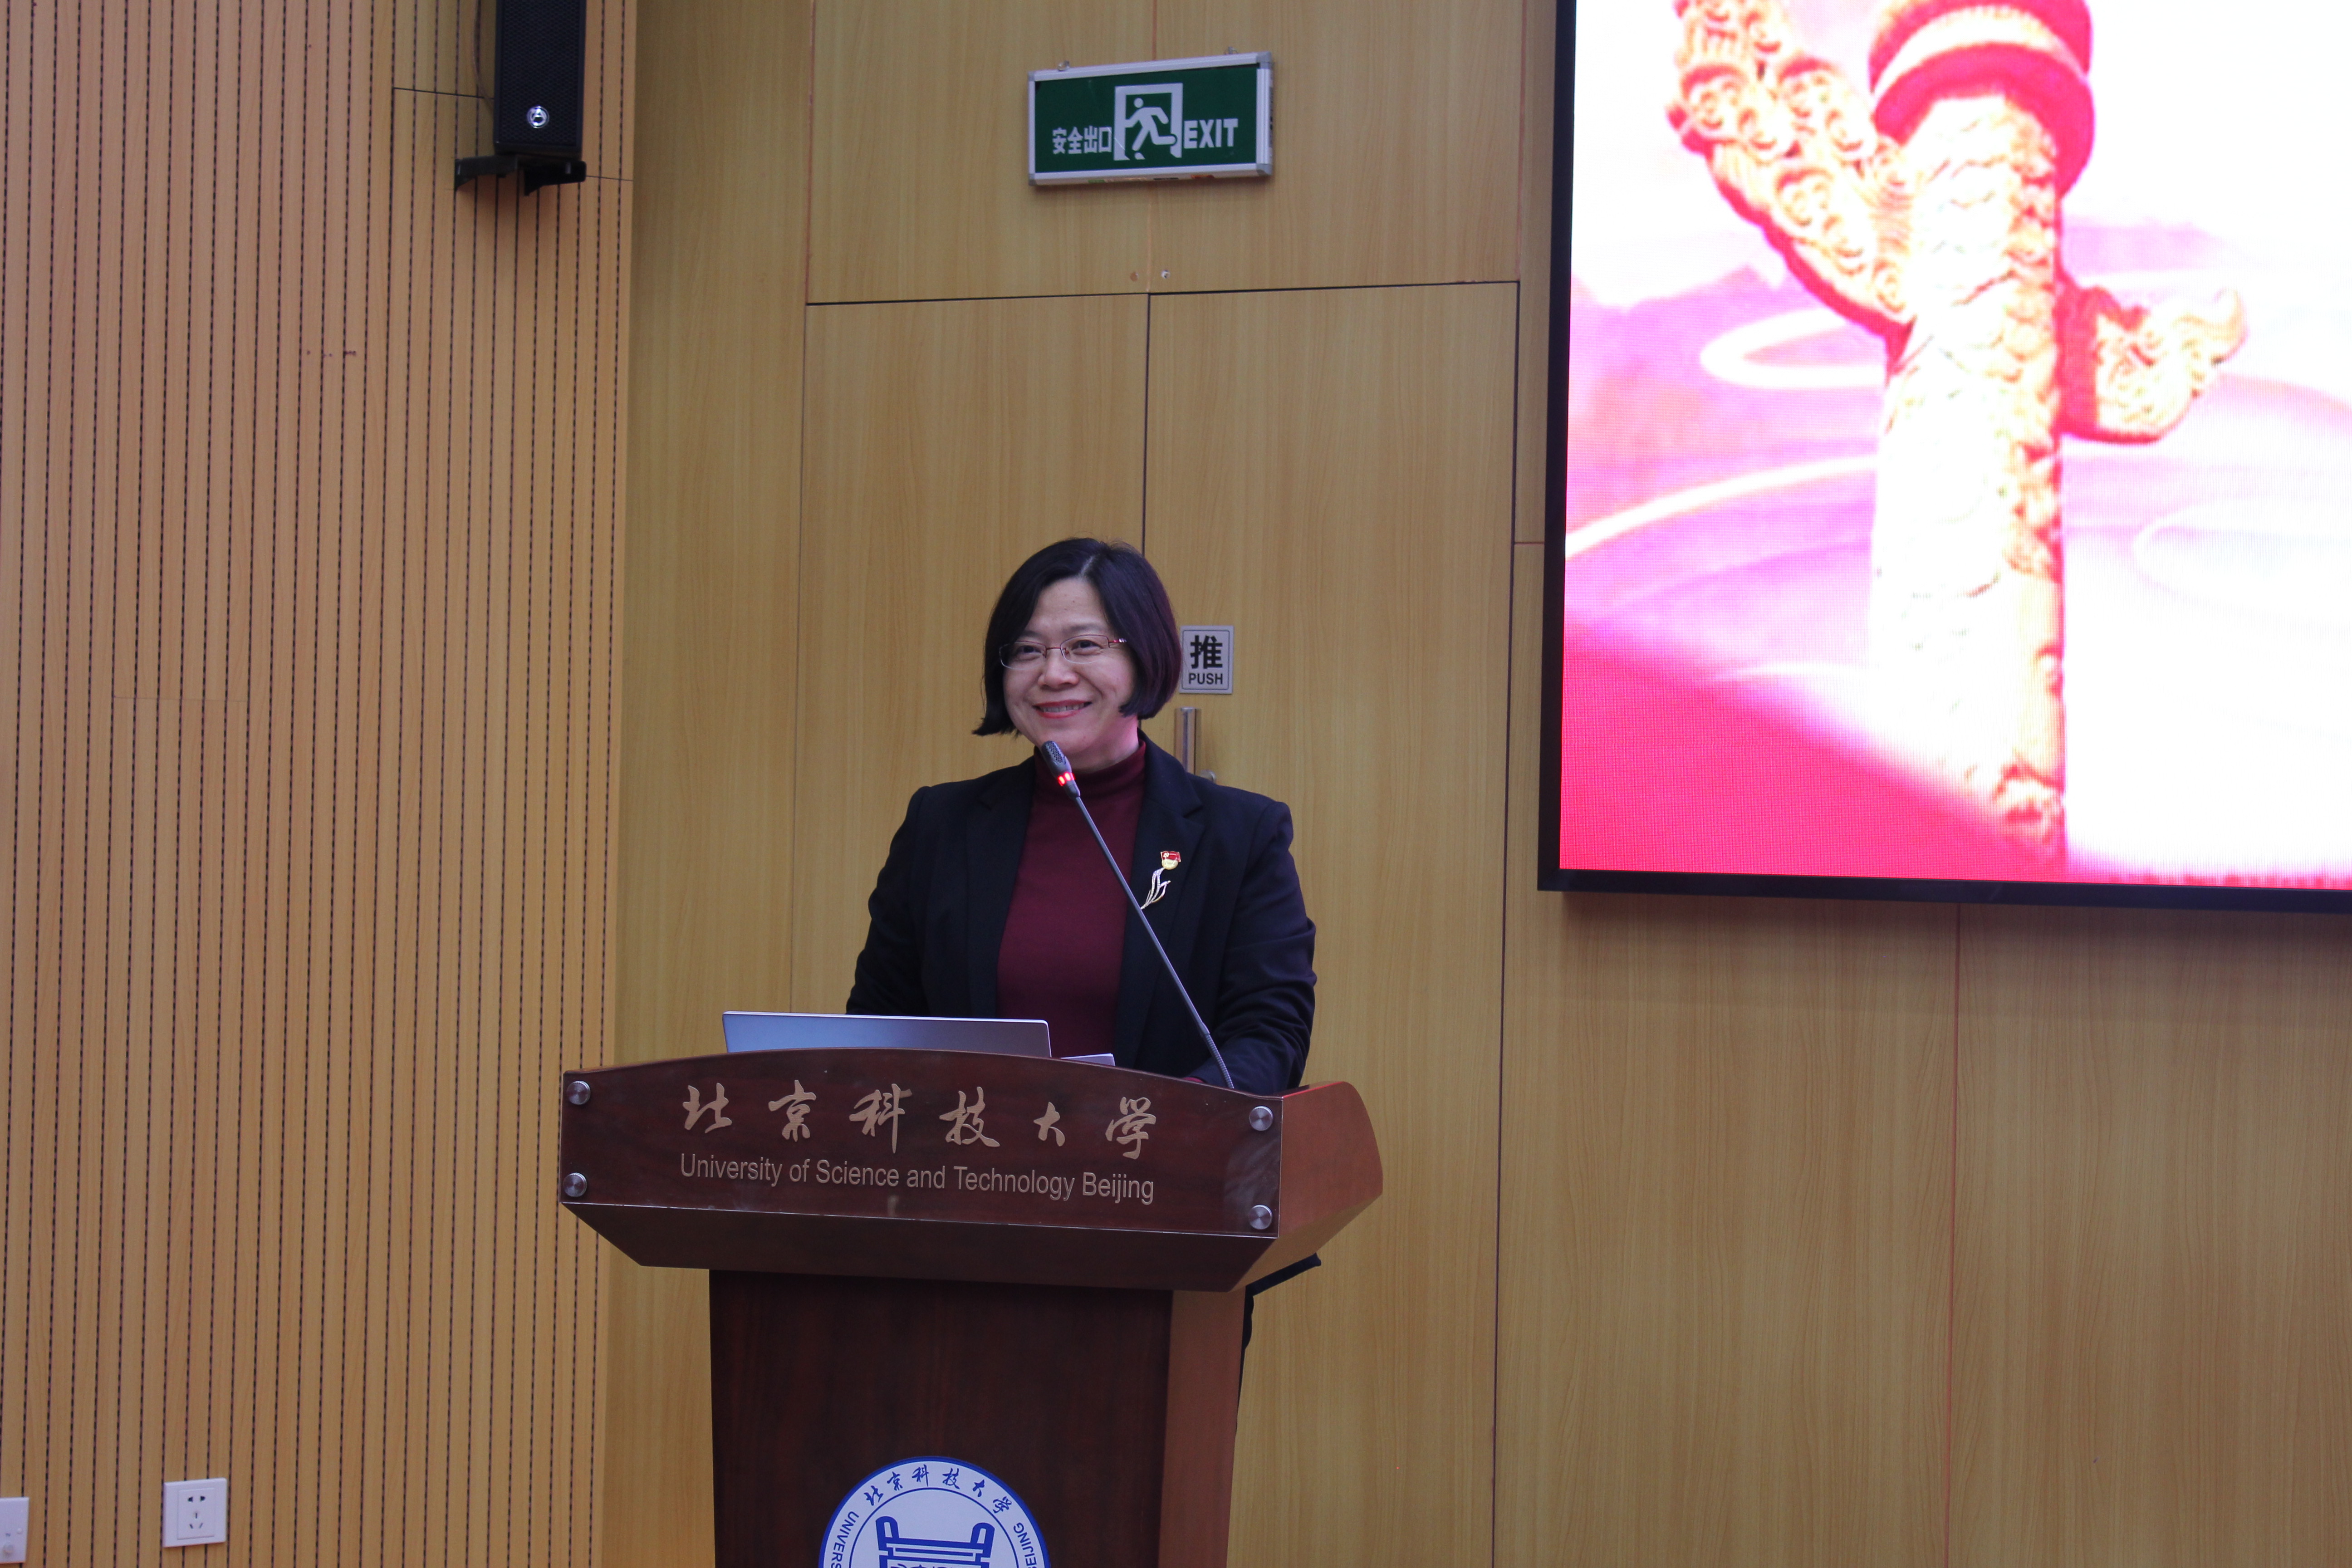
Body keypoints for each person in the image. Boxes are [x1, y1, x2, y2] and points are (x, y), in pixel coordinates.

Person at [846, 537, 1314, 1096]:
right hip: (969, 1145)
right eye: (1027, 650)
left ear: (1145, 656)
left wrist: (1183, 1112)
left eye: (1084, 646)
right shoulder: (941, 825)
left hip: (1157, 1148)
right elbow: (879, 1024)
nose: (1053, 673)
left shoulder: (1240, 837)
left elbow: (1271, 1033)